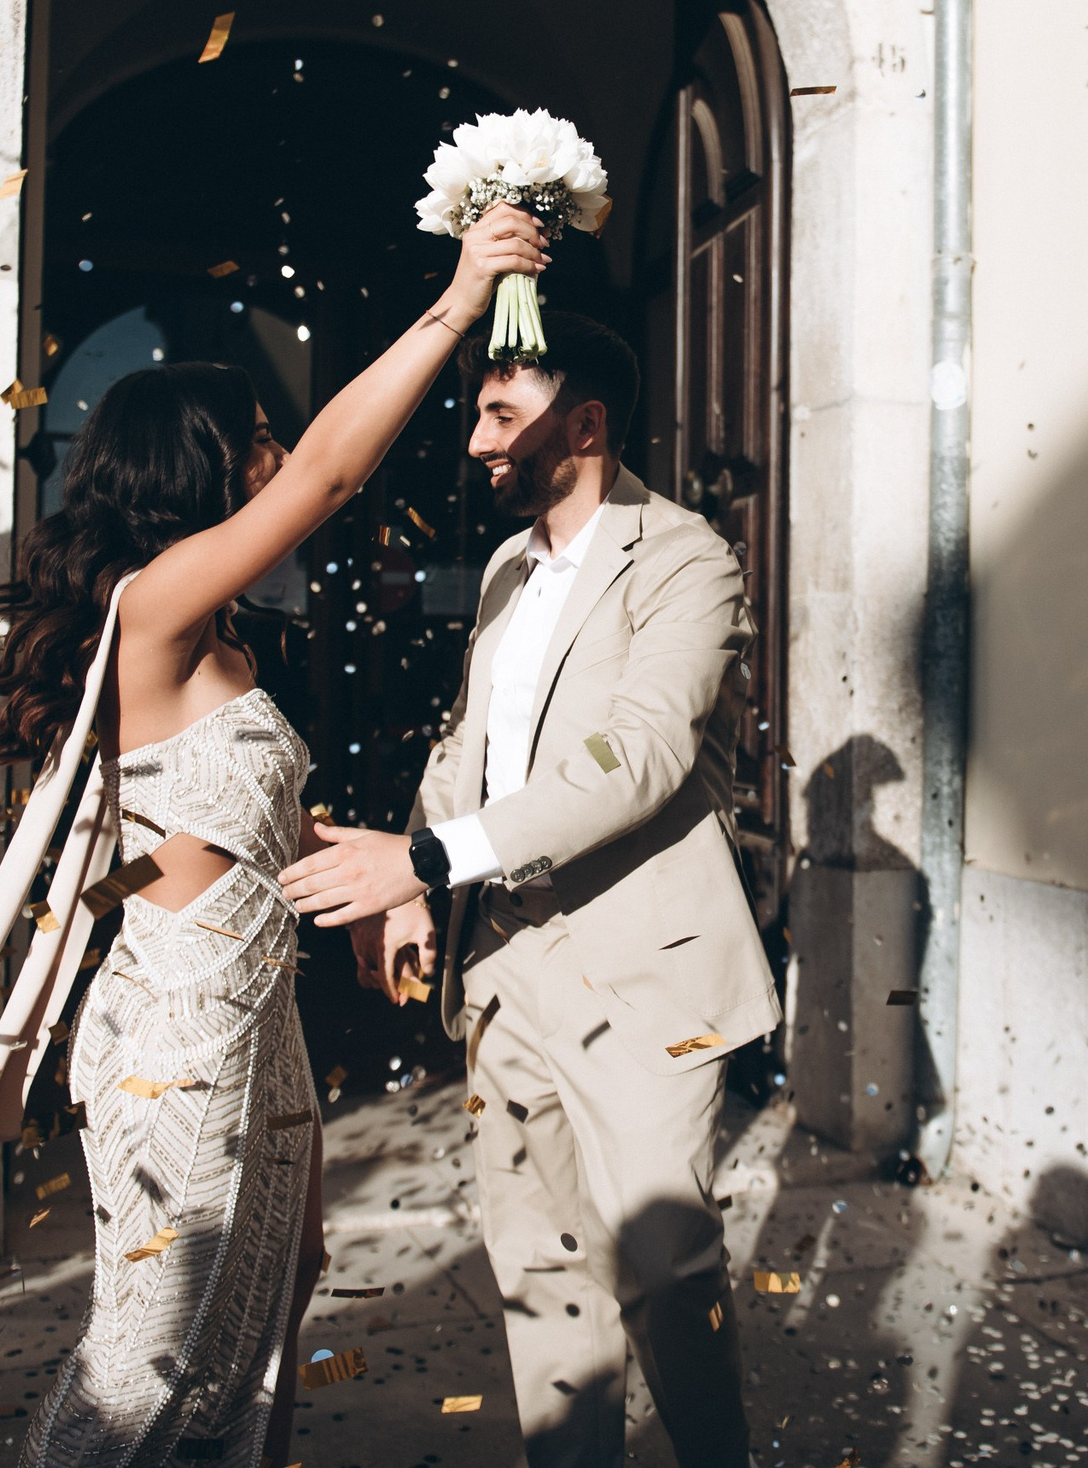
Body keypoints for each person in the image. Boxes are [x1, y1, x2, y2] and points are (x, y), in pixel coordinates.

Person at [0, 203, 542, 1468]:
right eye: (261, 438)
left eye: (274, 436)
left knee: (275, 1298)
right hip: (178, 1029)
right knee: (154, 1352)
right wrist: (457, 300)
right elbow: (334, 473)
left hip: (257, 1016)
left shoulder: (213, 634)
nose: (281, 458)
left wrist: (385, 874)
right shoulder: (152, 606)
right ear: (197, 466)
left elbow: (221, 821)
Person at [280, 312, 775, 1468]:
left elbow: (639, 755)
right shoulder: (507, 564)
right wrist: (413, 884)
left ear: (584, 423)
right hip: (501, 962)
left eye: (502, 415)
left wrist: (420, 859)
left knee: (666, 1267)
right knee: (542, 1267)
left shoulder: (688, 556)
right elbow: (471, 741)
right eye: (478, 412)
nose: (475, 440)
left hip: (643, 970)